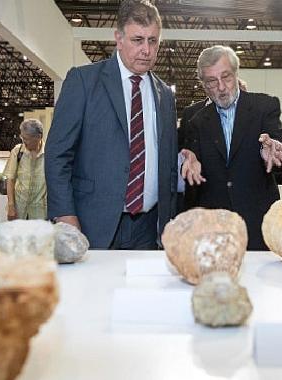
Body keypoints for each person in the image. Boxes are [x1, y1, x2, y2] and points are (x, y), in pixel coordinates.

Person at [46, 0, 201, 249]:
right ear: (118, 38)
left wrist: (186, 155)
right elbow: (57, 155)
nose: (146, 50)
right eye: (137, 40)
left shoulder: (165, 94)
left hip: (150, 229)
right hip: (91, 224)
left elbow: (164, 156)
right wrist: (65, 215)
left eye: (153, 41)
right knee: (93, 289)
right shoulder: (84, 82)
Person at [184, 45, 282, 250]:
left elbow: (276, 147)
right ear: (204, 85)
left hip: (258, 225)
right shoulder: (197, 122)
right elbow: (190, 160)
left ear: (236, 74)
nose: (221, 87)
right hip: (215, 230)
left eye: (227, 77)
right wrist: (188, 160)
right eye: (212, 81)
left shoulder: (264, 106)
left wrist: (271, 150)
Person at [3, 119, 46, 220]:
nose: (24, 142)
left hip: (40, 212)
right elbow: (10, 180)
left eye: (27, 139)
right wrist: (11, 206)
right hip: (19, 210)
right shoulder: (17, 151)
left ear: (39, 137)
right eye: (22, 138)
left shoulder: (49, 154)